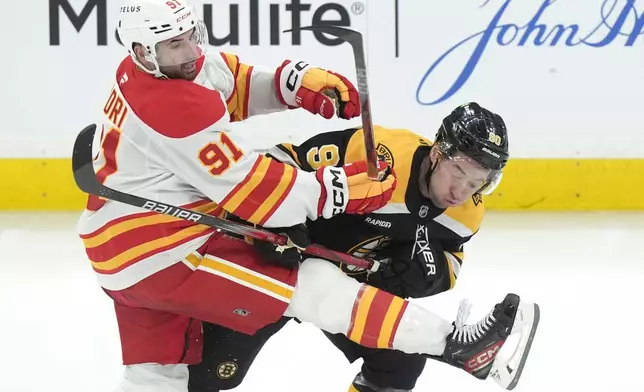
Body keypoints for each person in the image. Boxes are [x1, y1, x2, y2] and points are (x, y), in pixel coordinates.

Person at [76, 1, 534, 391]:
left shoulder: (153, 69)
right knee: (311, 287)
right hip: (166, 252)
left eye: (191, 35)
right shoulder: (174, 109)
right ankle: (462, 347)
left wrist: (291, 84)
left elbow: (224, 78)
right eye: (175, 43)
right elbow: (254, 193)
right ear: (142, 50)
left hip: (120, 243)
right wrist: (342, 188)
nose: (193, 50)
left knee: (157, 377)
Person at [188, 103, 540, 392]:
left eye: (478, 182)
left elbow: (451, 261)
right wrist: (277, 219)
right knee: (205, 374)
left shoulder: (466, 213)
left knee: (400, 360)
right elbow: (283, 160)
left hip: (343, 288)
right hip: (275, 266)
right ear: (436, 154)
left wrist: (423, 277)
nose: (461, 191)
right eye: (458, 172)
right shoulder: (379, 156)